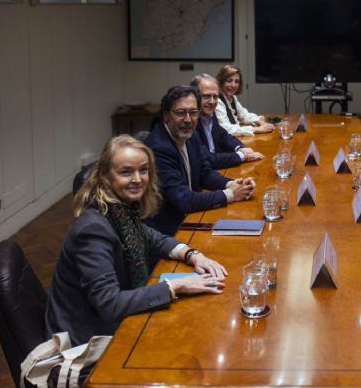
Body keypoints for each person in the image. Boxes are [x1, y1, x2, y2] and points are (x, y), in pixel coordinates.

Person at [45, 135, 227, 346]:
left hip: (105, 322)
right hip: (85, 340)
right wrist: (175, 286)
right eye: (126, 172)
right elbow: (110, 304)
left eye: (143, 170)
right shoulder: (92, 229)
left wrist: (192, 255)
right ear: (105, 176)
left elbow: (154, 237)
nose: (138, 179)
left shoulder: (119, 210)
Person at [145, 85, 256, 236]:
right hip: (169, 230)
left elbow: (205, 172)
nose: (188, 119)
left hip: (192, 216)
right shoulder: (158, 148)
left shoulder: (191, 135)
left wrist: (233, 184)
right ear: (166, 115)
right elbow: (183, 199)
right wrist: (230, 194)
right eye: (180, 113)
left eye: (193, 112)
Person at [191, 73, 264, 169]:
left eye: (215, 97)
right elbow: (208, 159)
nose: (212, 102)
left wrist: (240, 148)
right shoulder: (190, 121)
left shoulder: (210, 114)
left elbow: (222, 135)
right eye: (206, 96)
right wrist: (242, 156)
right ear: (194, 96)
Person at [215, 64, 275, 136]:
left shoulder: (232, 97)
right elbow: (226, 129)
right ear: (221, 82)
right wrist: (257, 129)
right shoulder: (217, 101)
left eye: (236, 81)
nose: (233, 85)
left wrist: (259, 122)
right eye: (229, 81)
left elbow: (244, 115)